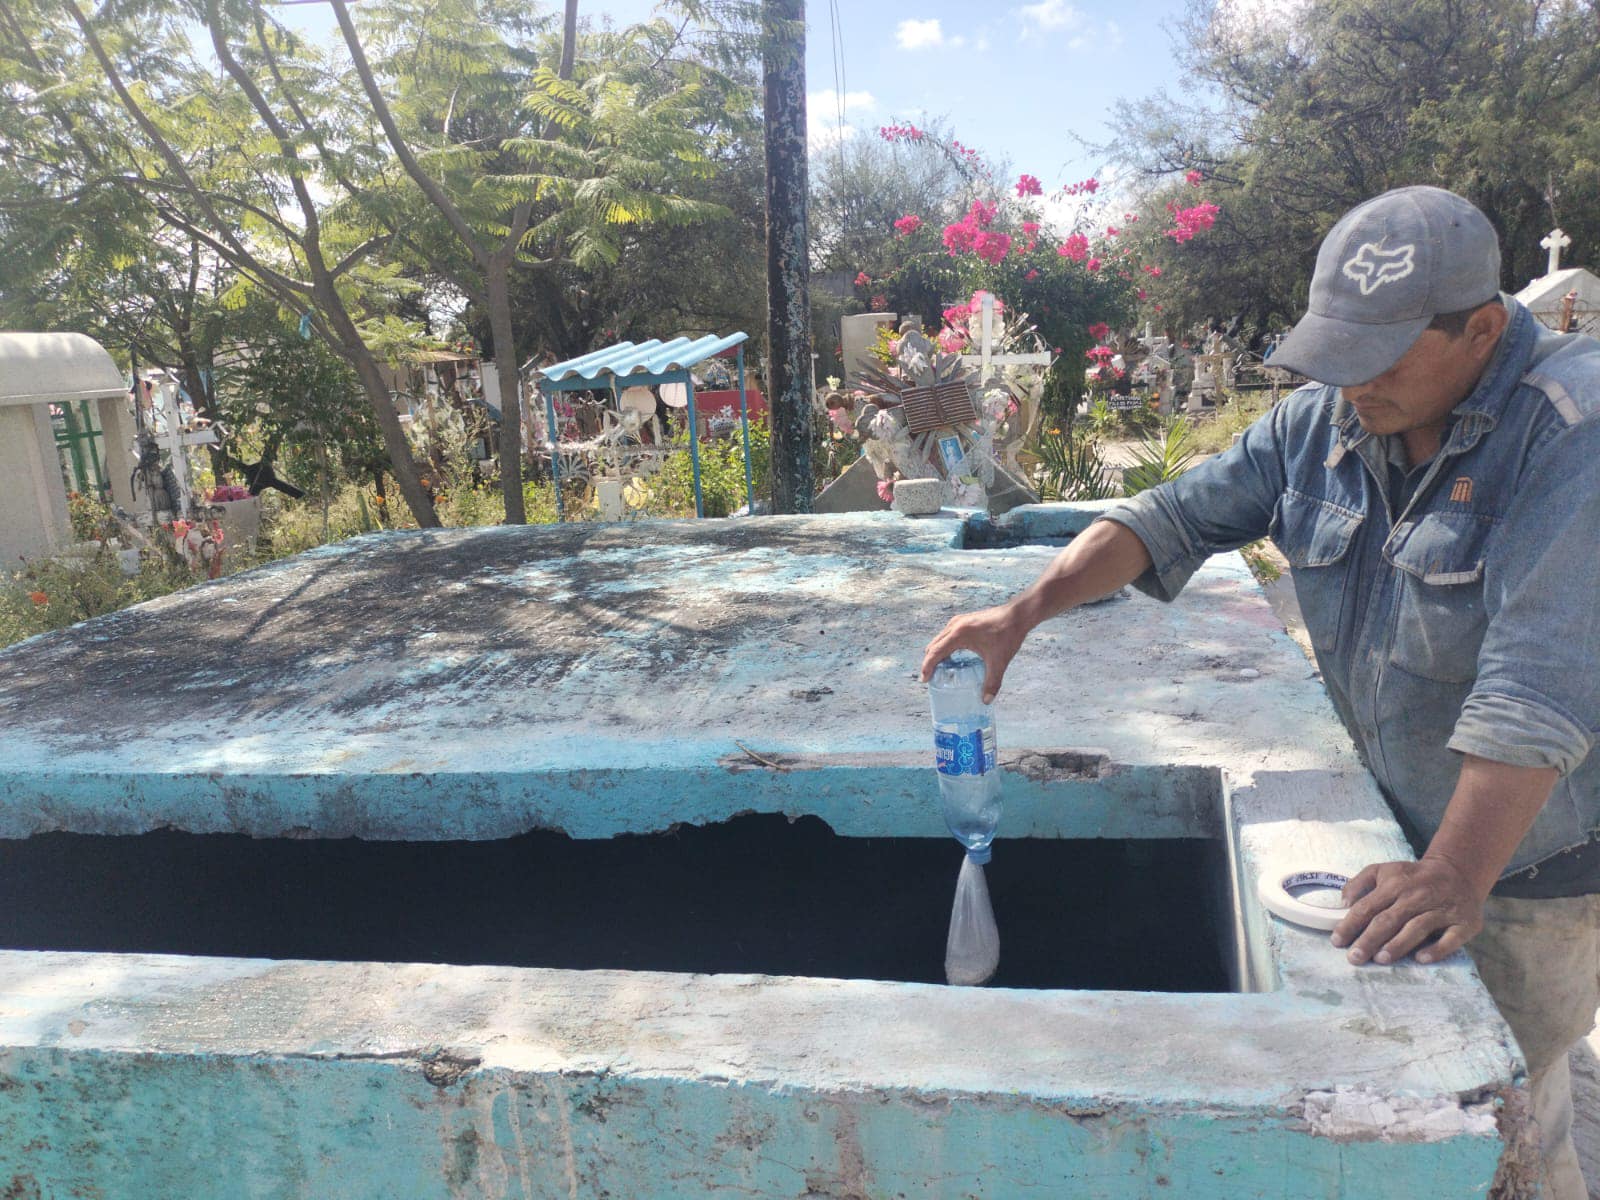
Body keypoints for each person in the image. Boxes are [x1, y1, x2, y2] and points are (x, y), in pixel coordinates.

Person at [922, 186, 1600, 1199]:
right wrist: (1023, 612)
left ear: (1482, 328)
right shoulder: (1321, 422)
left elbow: (1539, 679)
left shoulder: (1569, 429)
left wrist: (1456, 872)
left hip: (1527, 862)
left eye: (1382, 353)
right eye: (1339, 349)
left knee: (1497, 1125)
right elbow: (1169, 517)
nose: (1351, 380)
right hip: (1396, 824)